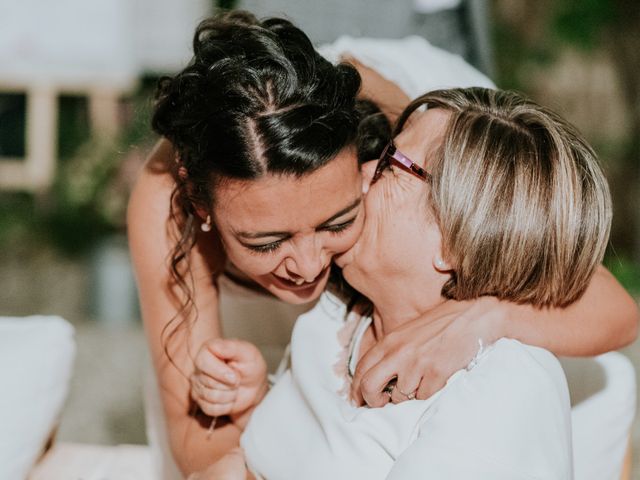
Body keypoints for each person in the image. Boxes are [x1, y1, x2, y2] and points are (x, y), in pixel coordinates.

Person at [127, 10, 639, 476]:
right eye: (265, 241)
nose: (307, 267)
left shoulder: (413, 148)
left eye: (336, 219)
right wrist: (251, 406)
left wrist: (484, 317)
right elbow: (201, 450)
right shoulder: (172, 207)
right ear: (202, 207)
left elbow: (613, 308)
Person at [203, 86, 613, 479]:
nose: (360, 172)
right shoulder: (334, 315)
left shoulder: (506, 388)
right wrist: (254, 406)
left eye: (388, 164)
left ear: (455, 240)